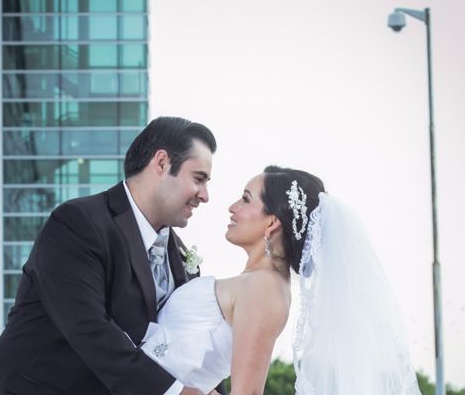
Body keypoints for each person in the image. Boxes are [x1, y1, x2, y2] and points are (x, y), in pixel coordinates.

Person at [0, 116, 221, 395]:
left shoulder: (181, 257)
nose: (205, 196)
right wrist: (175, 392)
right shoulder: (78, 223)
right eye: (198, 179)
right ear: (162, 162)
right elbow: (89, 328)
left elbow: (194, 340)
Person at [141, 166, 422, 395]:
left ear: (272, 223)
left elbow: (247, 393)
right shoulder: (257, 283)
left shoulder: (265, 288)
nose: (232, 207)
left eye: (246, 199)